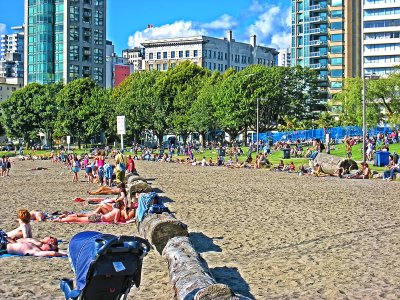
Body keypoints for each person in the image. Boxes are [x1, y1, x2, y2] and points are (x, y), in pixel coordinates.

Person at [53, 199, 126, 223]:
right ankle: (61, 219)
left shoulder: (115, 209)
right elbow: (116, 221)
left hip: (99, 217)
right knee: (78, 219)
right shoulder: (118, 211)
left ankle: (64, 217)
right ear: (121, 206)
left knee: (80, 217)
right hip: (98, 218)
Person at [2, 235, 67, 257]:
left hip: (4, 248)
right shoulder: (36, 246)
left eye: (50, 245)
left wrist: (65, 254)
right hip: (4, 244)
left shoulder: (37, 251)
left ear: (48, 250)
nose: (47, 243)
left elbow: (53, 253)